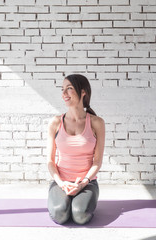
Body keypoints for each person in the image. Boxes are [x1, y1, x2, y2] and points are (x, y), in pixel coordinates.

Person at [46, 74, 105, 225]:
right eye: (62, 89)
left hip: (87, 182)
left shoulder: (96, 122)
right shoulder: (56, 122)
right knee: (60, 214)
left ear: (83, 92)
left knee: (80, 216)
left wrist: (83, 182)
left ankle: (80, 202)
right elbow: (50, 162)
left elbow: (97, 162)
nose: (64, 93)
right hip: (61, 180)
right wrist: (61, 183)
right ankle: (65, 199)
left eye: (69, 88)